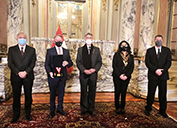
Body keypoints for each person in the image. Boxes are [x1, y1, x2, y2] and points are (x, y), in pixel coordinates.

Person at [8, 32, 36, 123]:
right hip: (16, 77)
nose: (22, 39)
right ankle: (16, 114)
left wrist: (26, 72)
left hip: (28, 76)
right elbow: (10, 63)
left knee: (28, 96)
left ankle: (28, 114)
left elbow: (33, 62)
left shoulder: (32, 50)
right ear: (17, 39)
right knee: (16, 96)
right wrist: (18, 72)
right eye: (20, 37)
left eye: (24, 37)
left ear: (26, 39)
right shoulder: (11, 49)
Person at [45, 34, 73, 118]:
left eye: (60, 41)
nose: (58, 42)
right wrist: (49, 72)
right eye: (57, 41)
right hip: (53, 76)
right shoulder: (50, 51)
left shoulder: (66, 51)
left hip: (62, 76)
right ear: (54, 41)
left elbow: (71, 62)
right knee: (53, 93)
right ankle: (52, 110)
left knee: (61, 93)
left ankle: (60, 108)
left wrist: (67, 63)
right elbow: (47, 64)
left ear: (62, 41)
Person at [144, 35, 172, 118]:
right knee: (151, 93)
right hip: (153, 75)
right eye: (157, 39)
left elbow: (168, 62)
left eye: (160, 40)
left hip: (163, 76)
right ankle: (148, 108)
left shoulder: (167, 50)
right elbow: (147, 62)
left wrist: (162, 70)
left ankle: (162, 111)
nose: (159, 41)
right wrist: (155, 70)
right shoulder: (149, 51)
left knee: (163, 94)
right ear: (154, 40)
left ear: (162, 41)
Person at [76, 32, 102, 116]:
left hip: (93, 74)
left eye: (90, 37)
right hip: (84, 74)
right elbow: (78, 62)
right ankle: (84, 108)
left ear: (92, 39)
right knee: (84, 91)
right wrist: (84, 70)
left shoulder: (96, 50)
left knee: (92, 91)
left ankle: (91, 108)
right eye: (87, 37)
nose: (88, 39)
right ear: (85, 39)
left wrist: (94, 69)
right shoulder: (80, 50)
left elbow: (99, 62)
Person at [112, 41, 134, 114]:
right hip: (117, 76)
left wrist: (127, 75)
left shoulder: (131, 56)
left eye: (126, 45)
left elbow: (131, 67)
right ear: (120, 46)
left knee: (124, 92)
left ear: (128, 46)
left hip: (126, 77)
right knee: (117, 91)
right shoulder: (117, 55)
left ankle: (122, 107)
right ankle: (117, 107)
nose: (124, 46)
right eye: (122, 45)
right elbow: (114, 66)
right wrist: (120, 75)